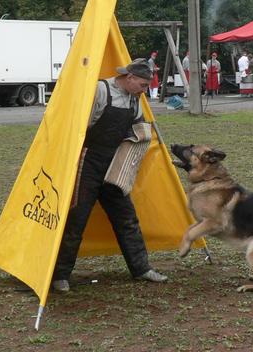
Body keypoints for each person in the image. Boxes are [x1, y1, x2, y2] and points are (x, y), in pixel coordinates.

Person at [51, 59, 168, 293]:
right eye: (143, 85)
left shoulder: (135, 99)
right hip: (88, 162)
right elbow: (78, 127)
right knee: (76, 218)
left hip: (115, 165)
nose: (145, 91)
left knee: (127, 217)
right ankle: (59, 275)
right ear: (130, 77)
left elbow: (137, 128)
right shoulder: (100, 90)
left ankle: (141, 268)